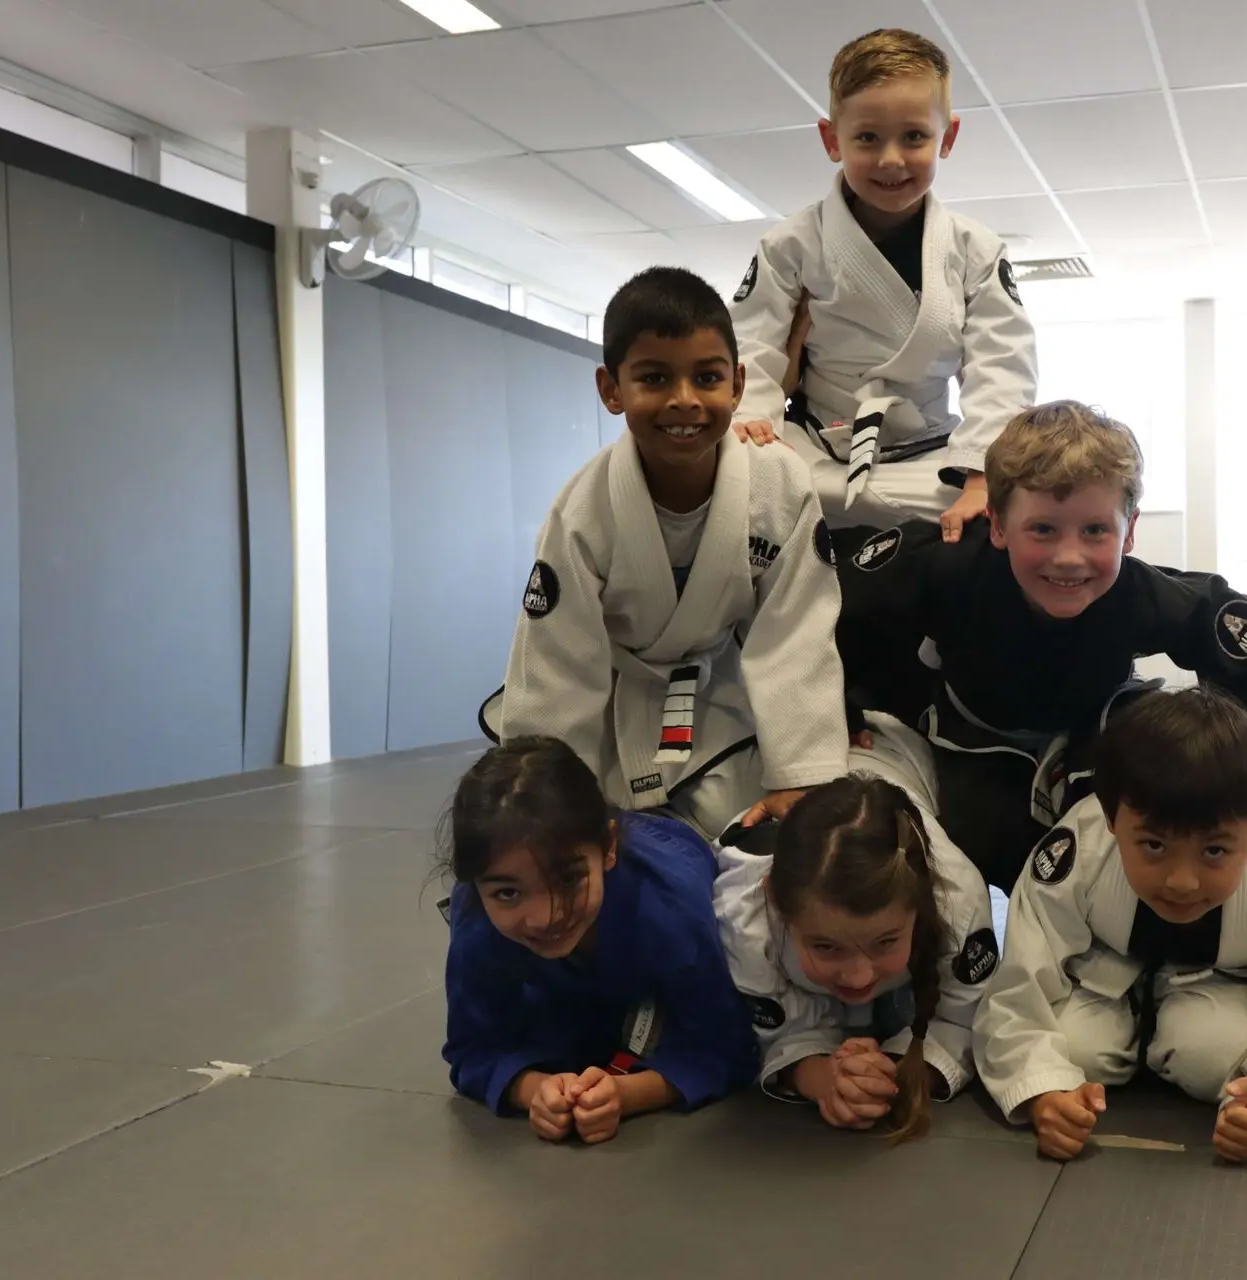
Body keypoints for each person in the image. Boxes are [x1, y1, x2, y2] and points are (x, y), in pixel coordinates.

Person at [830, 400, 1247, 890]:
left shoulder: (1139, 595)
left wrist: (1238, 763)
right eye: (1042, 529)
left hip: (1094, 728)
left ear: (1129, 532)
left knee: (1114, 851)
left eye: (1096, 530)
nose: (1069, 558)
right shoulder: (949, 567)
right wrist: (843, 711)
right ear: (997, 524)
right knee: (984, 850)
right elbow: (836, 607)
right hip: (973, 735)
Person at [481, 266, 848, 840]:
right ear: (611, 389)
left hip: (722, 696)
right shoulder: (583, 512)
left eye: (707, 377)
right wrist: (548, 798)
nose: (684, 401)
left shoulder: (779, 486)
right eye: (654, 378)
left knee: (772, 843)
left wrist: (799, 771)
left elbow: (794, 633)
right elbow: (558, 662)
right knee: (574, 840)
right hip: (613, 703)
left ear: (737, 384)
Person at [973, 687, 1247, 1163]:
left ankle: (1170, 1027)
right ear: (1112, 820)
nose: (1182, 881)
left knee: (1210, 1057)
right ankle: (1133, 1020)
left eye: (1215, 851)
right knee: (1078, 1054)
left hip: (1229, 986)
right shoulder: (1077, 849)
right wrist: (1043, 1096)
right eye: (1154, 847)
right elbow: (1020, 988)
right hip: (1105, 976)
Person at [729, 27, 1037, 540]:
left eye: (914, 136)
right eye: (867, 138)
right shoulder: (792, 244)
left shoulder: (975, 250)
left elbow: (1002, 367)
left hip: (932, 460)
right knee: (739, 490)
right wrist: (751, 419)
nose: (891, 159)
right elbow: (751, 343)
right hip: (815, 449)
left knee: (997, 526)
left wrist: (982, 476)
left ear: (948, 138)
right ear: (832, 140)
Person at [439, 737, 760, 1144]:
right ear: (474, 883)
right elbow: (473, 1047)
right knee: (563, 1036)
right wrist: (535, 1089)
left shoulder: (671, 909)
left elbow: (727, 1046)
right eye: (507, 893)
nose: (545, 917)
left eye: (569, 880)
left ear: (608, 849)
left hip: (672, 843)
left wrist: (629, 1094)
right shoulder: (476, 918)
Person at [712, 716, 996, 1141]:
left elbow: (962, 1019)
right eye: (825, 946)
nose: (858, 976)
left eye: (885, 941)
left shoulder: (957, 897)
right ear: (775, 903)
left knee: (901, 1012)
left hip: (897, 750)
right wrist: (826, 1078)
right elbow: (782, 1034)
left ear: (921, 905)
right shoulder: (746, 915)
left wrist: (896, 1073)